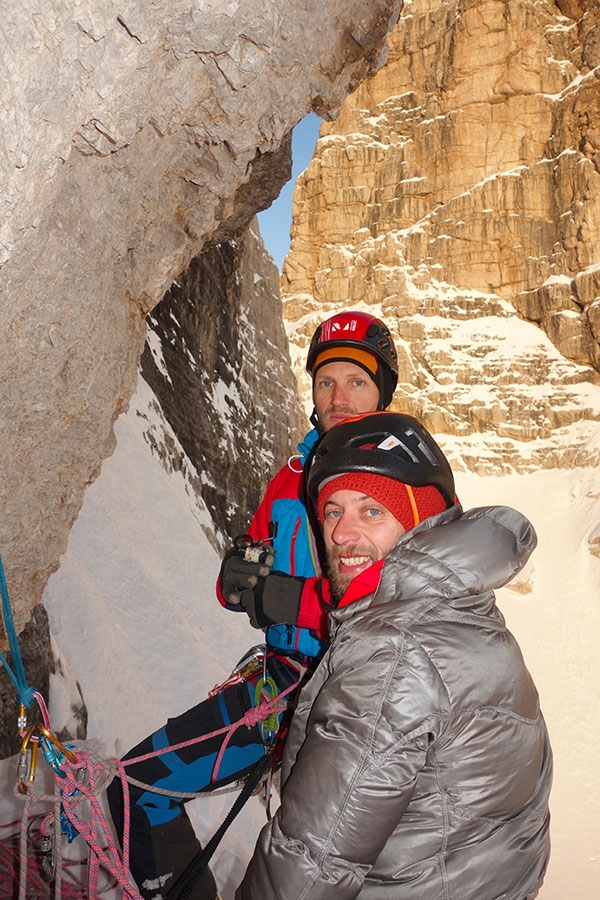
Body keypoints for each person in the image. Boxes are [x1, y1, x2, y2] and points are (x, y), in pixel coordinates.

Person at [107, 311, 399, 900]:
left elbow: (414, 598)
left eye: (357, 381)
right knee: (137, 788)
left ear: (383, 391)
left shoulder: (400, 476)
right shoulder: (291, 476)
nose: (338, 397)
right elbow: (244, 578)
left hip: (353, 694)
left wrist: (288, 599)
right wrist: (239, 580)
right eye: (325, 381)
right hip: (276, 687)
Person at [236, 411, 553, 900]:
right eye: (333, 511)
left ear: (420, 522)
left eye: (371, 511)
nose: (342, 534)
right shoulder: (467, 612)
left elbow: (309, 866)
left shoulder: (391, 654)